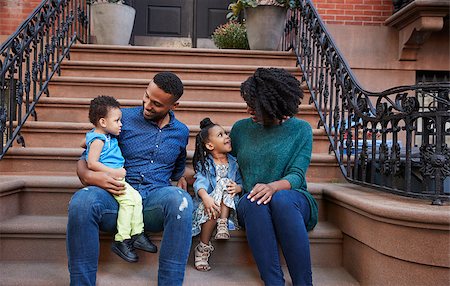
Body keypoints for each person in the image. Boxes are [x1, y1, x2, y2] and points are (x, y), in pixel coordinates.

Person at [66, 72, 193, 286]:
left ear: (174, 105)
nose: (147, 105)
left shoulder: (180, 132)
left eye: (157, 104)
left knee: (181, 201)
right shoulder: (121, 119)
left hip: (154, 201)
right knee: (82, 202)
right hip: (116, 197)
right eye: (146, 96)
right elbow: (86, 158)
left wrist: (186, 178)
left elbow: (178, 171)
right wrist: (89, 177)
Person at [229, 68, 318, 286]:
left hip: (293, 198)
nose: (249, 108)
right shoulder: (240, 130)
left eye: (255, 104)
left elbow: (297, 175)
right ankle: (273, 282)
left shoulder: (301, 130)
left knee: (281, 200)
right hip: (253, 202)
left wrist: (273, 187)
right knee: (254, 201)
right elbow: (225, 164)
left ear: (275, 105)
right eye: (248, 101)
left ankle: (304, 283)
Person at [84, 95, 157, 263]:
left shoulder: (104, 136)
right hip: (110, 179)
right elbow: (92, 163)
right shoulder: (98, 139)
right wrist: (113, 171)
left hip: (117, 177)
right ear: (103, 122)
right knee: (127, 203)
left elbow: (86, 143)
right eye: (117, 121)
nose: (121, 124)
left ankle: (137, 233)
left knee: (136, 198)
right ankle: (122, 239)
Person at [191, 117, 243, 271]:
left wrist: (238, 188)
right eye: (220, 135)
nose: (227, 136)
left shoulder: (234, 162)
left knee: (226, 183)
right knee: (213, 206)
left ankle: (223, 222)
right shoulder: (206, 164)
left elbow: (240, 181)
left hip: (230, 204)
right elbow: (199, 182)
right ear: (210, 145)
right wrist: (205, 197)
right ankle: (203, 247)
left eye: (226, 133)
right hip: (210, 204)